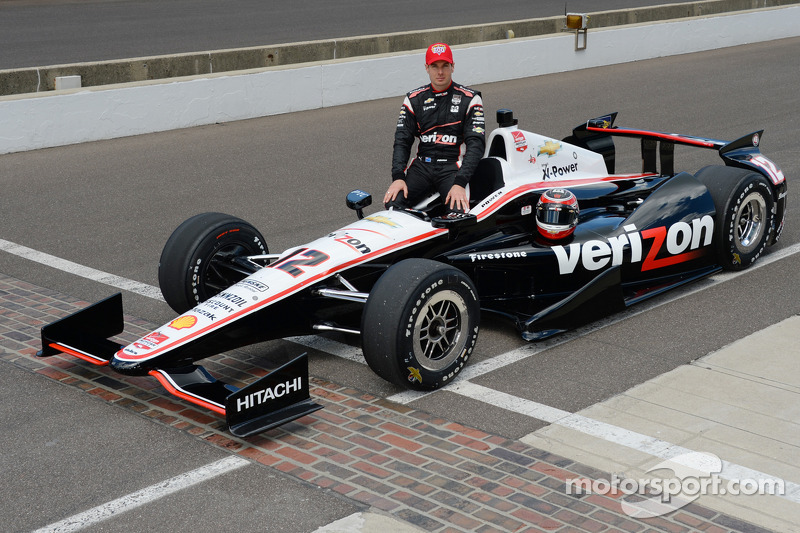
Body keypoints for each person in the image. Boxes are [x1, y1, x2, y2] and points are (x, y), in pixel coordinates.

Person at [384, 43, 486, 213]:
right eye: (434, 66)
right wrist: (398, 177)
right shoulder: (413, 99)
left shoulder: (471, 99)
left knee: (458, 213)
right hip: (422, 166)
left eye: (445, 66)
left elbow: (476, 145)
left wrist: (460, 183)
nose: (440, 72)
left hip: (452, 167)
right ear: (427, 68)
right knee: (393, 203)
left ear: (452, 67)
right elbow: (402, 140)